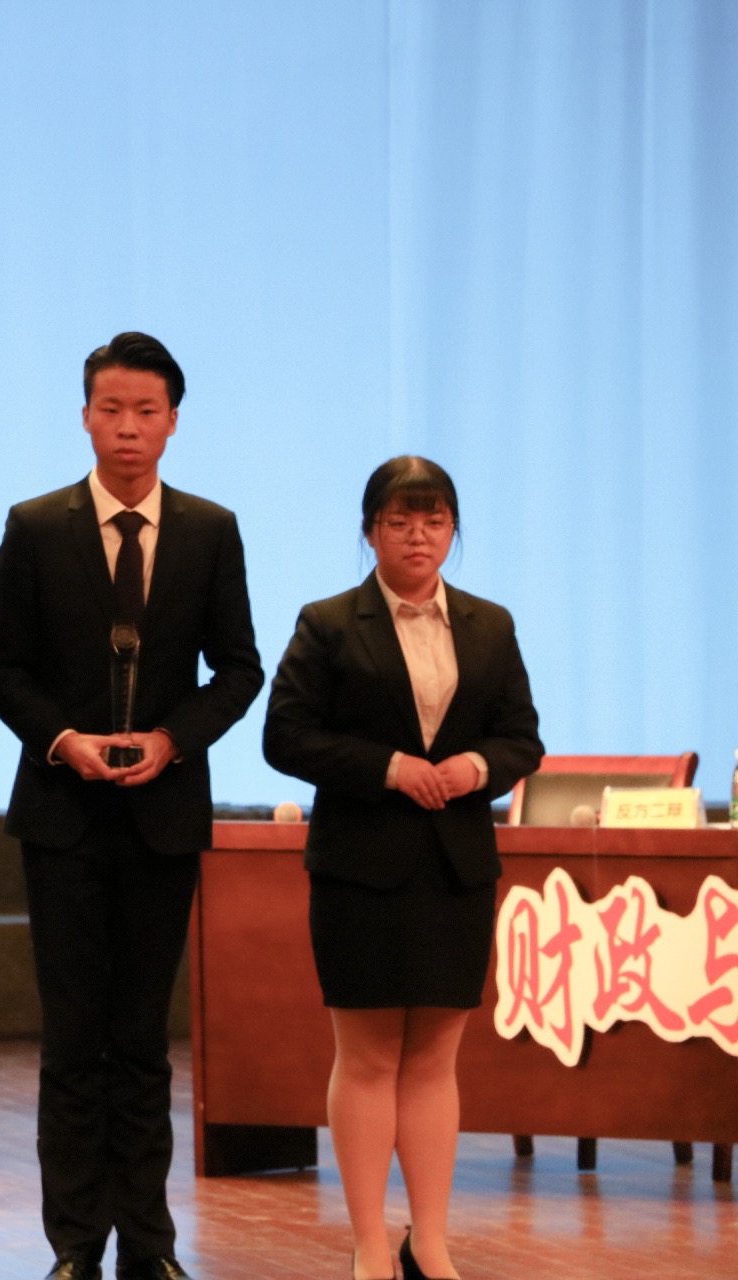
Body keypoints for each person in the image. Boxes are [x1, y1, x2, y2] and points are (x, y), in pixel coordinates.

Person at [0, 333, 263, 1280]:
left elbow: (239, 669)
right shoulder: (35, 526)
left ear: (173, 421)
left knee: (142, 1040)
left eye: (147, 411)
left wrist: (172, 741)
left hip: (161, 814)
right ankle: (74, 1245)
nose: (129, 428)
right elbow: (4, 667)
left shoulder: (210, 530)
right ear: (85, 417)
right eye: (112, 410)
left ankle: (150, 1245)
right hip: (62, 814)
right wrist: (62, 739)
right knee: (73, 1040)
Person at [262, 457, 542, 1280]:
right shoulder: (328, 623)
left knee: (434, 1062)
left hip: (456, 869)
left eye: (434, 520)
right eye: (399, 521)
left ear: (453, 529)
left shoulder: (490, 624)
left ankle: (431, 1240)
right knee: (369, 1058)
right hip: (360, 869)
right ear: (370, 531)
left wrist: (477, 768)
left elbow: (522, 738)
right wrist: (388, 767)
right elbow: (286, 737)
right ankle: (370, 1245)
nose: (418, 537)